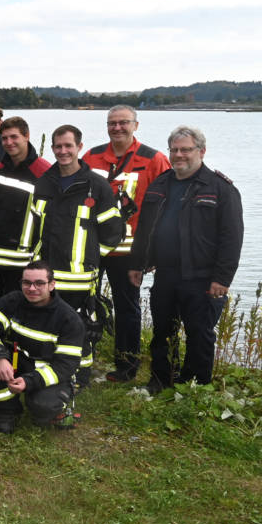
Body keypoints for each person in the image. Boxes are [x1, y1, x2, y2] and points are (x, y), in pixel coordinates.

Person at [129, 126, 243, 394]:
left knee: (199, 334)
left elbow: (232, 238)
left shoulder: (221, 189)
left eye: (185, 150)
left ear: (201, 152)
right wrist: (137, 263)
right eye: (174, 150)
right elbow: (144, 228)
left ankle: (195, 386)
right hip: (166, 273)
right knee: (162, 331)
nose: (179, 155)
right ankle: (161, 380)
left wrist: (222, 278)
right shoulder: (160, 183)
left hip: (202, 277)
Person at [83, 105, 172, 383]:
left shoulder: (154, 159)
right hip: (92, 247)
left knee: (127, 308)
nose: (117, 128)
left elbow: (167, 207)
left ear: (136, 125)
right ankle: (84, 356)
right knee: (84, 302)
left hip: (130, 251)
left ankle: (126, 364)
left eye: (123, 123)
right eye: (112, 123)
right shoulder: (93, 156)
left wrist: (154, 251)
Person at [32, 124, 124, 387]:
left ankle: (80, 376)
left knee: (80, 328)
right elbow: (34, 228)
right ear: (52, 149)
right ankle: (51, 371)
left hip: (80, 277)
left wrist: (91, 259)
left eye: (68, 146)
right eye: (58, 147)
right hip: (47, 276)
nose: (63, 151)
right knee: (47, 323)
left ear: (79, 148)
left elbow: (113, 232)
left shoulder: (97, 186)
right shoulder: (44, 183)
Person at [0, 260, 84, 434]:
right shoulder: (12, 301)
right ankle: (7, 410)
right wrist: (0, 358)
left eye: (39, 283)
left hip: (47, 372)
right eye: (27, 282)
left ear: (52, 285)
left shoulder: (69, 319)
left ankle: (53, 404)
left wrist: (29, 381)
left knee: (42, 408)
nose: (32, 288)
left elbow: (66, 365)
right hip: (16, 362)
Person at [0, 116, 52, 314]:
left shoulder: (44, 172)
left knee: (16, 304)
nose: (9, 143)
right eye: (4, 139)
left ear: (26, 136)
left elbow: (48, 218)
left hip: (22, 257)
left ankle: (12, 343)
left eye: (14, 137)